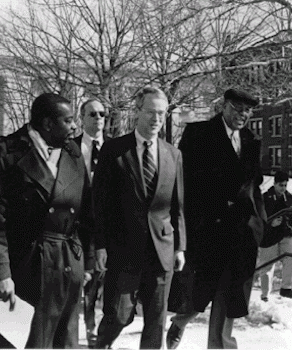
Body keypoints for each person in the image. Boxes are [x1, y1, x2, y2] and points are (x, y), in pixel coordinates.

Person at [0, 93, 92, 349]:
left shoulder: (73, 152)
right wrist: (1, 273)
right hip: (23, 267)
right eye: (68, 120)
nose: (74, 126)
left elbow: (87, 214)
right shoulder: (7, 151)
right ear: (47, 124)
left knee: (64, 343)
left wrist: (87, 263)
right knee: (22, 343)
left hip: (66, 266)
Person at [167, 88, 265, 349]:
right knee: (202, 290)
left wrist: (259, 221)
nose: (242, 115)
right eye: (236, 108)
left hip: (240, 230)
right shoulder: (199, 133)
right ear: (223, 106)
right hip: (207, 228)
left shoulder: (251, 139)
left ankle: (220, 345)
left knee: (230, 294)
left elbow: (254, 184)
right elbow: (186, 182)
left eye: (247, 110)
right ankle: (181, 320)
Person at [92, 86, 186, 349]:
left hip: (162, 250)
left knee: (156, 321)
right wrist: (100, 244)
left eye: (161, 113)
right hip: (125, 250)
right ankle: (101, 345)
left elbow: (178, 206)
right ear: (137, 112)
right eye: (151, 113)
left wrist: (180, 246)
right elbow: (100, 204)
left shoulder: (173, 154)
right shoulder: (114, 151)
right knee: (119, 315)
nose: (156, 119)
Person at [73, 98, 110, 348]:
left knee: (99, 284)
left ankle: (95, 328)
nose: (98, 119)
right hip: (76, 228)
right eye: (92, 114)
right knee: (81, 283)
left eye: (102, 114)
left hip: (105, 229)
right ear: (81, 118)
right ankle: (84, 327)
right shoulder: (70, 148)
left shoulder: (115, 149)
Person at [258, 170, 292, 301]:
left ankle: (286, 287)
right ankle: (265, 295)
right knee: (267, 265)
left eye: (285, 185)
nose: (283, 188)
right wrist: (270, 223)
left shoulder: (290, 199)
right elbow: (259, 218)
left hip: (285, 234)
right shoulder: (264, 198)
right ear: (275, 184)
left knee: (291, 256)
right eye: (281, 185)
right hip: (269, 236)